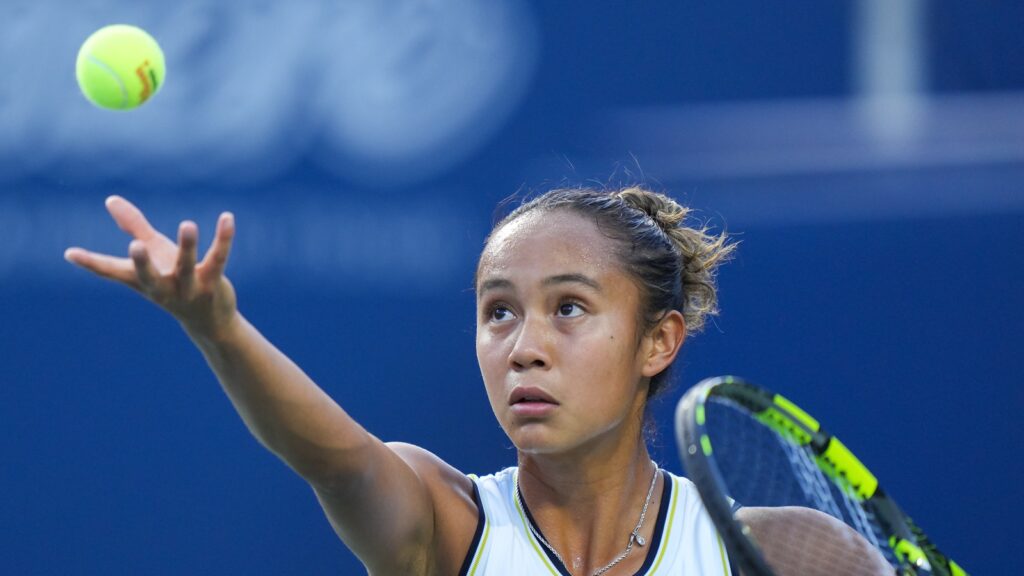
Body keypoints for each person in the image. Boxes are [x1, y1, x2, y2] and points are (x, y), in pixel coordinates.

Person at [64, 187, 890, 576]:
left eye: (569, 308)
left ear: (657, 342)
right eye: (499, 313)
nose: (523, 347)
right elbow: (340, 462)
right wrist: (219, 328)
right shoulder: (444, 525)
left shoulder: (790, 556)